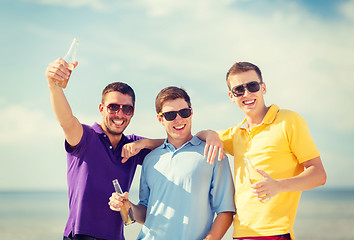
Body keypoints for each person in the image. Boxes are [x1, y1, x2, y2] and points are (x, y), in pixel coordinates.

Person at [196, 62, 327, 240]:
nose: (247, 94)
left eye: (252, 86)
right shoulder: (236, 134)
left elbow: (319, 175)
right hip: (240, 234)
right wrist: (209, 134)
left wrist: (279, 185)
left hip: (275, 233)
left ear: (263, 87)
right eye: (239, 90)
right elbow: (194, 139)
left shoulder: (289, 121)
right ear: (231, 96)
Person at [45, 58, 164, 240]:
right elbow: (66, 120)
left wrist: (144, 143)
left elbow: (174, 144)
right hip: (79, 235)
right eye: (113, 107)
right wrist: (54, 86)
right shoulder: (85, 137)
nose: (120, 114)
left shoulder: (133, 145)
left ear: (132, 112)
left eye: (127, 109)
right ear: (102, 108)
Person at [109, 86, 236, 240]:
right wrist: (127, 205)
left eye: (184, 112)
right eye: (170, 115)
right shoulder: (150, 160)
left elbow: (226, 210)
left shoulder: (212, 152)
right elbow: (145, 213)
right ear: (160, 119)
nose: (179, 119)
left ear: (191, 112)